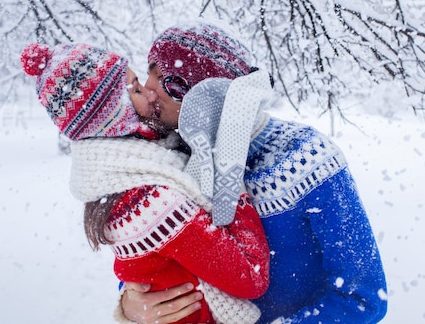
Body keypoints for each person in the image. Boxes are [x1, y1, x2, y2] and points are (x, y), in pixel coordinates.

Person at [120, 23, 388, 324]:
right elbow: (149, 260)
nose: (149, 91)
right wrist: (130, 304)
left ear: (210, 95)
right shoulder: (172, 164)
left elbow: (363, 297)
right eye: (150, 74)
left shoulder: (306, 157)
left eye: (166, 81)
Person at [20, 42, 270, 324]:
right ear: (114, 114)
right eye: (137, 89)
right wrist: (231, 182)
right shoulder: (151, 202)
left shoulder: (122, 181)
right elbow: (251, 276)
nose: (152, 94)